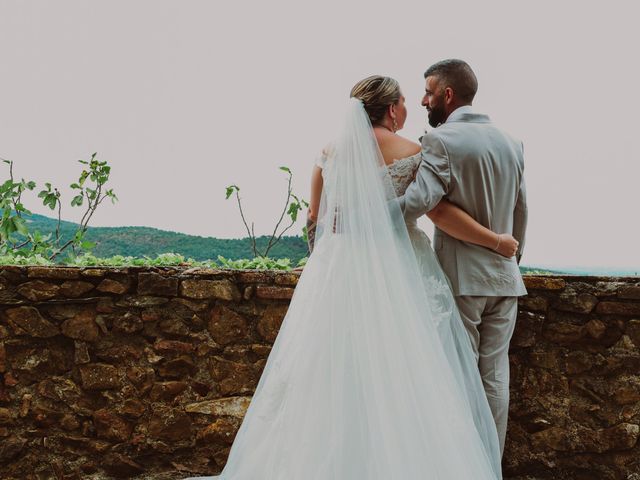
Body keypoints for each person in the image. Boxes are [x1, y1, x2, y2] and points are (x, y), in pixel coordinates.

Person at [186, 75, 511, 480]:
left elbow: (315, 218)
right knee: (405, 367)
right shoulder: (413, 151)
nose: (408, 108)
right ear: (391, 109)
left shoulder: (329, 153)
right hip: (399, 266)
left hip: (338, 265)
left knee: (331, 369)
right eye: (405, 101)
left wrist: (325, 261)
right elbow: (437, 211)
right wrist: (497, 241)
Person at [398, 59, 528, 454]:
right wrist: (509, 260)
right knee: (494, 377)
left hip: (462, 278)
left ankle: (461, 464)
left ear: (447, 94)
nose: (423, 100)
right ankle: (490, 468)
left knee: (458, 376)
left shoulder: (441, 141)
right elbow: (521, 211)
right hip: (505, 279)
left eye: (428, 92)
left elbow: (422, 203)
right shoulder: (511, 142)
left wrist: (365, 212)